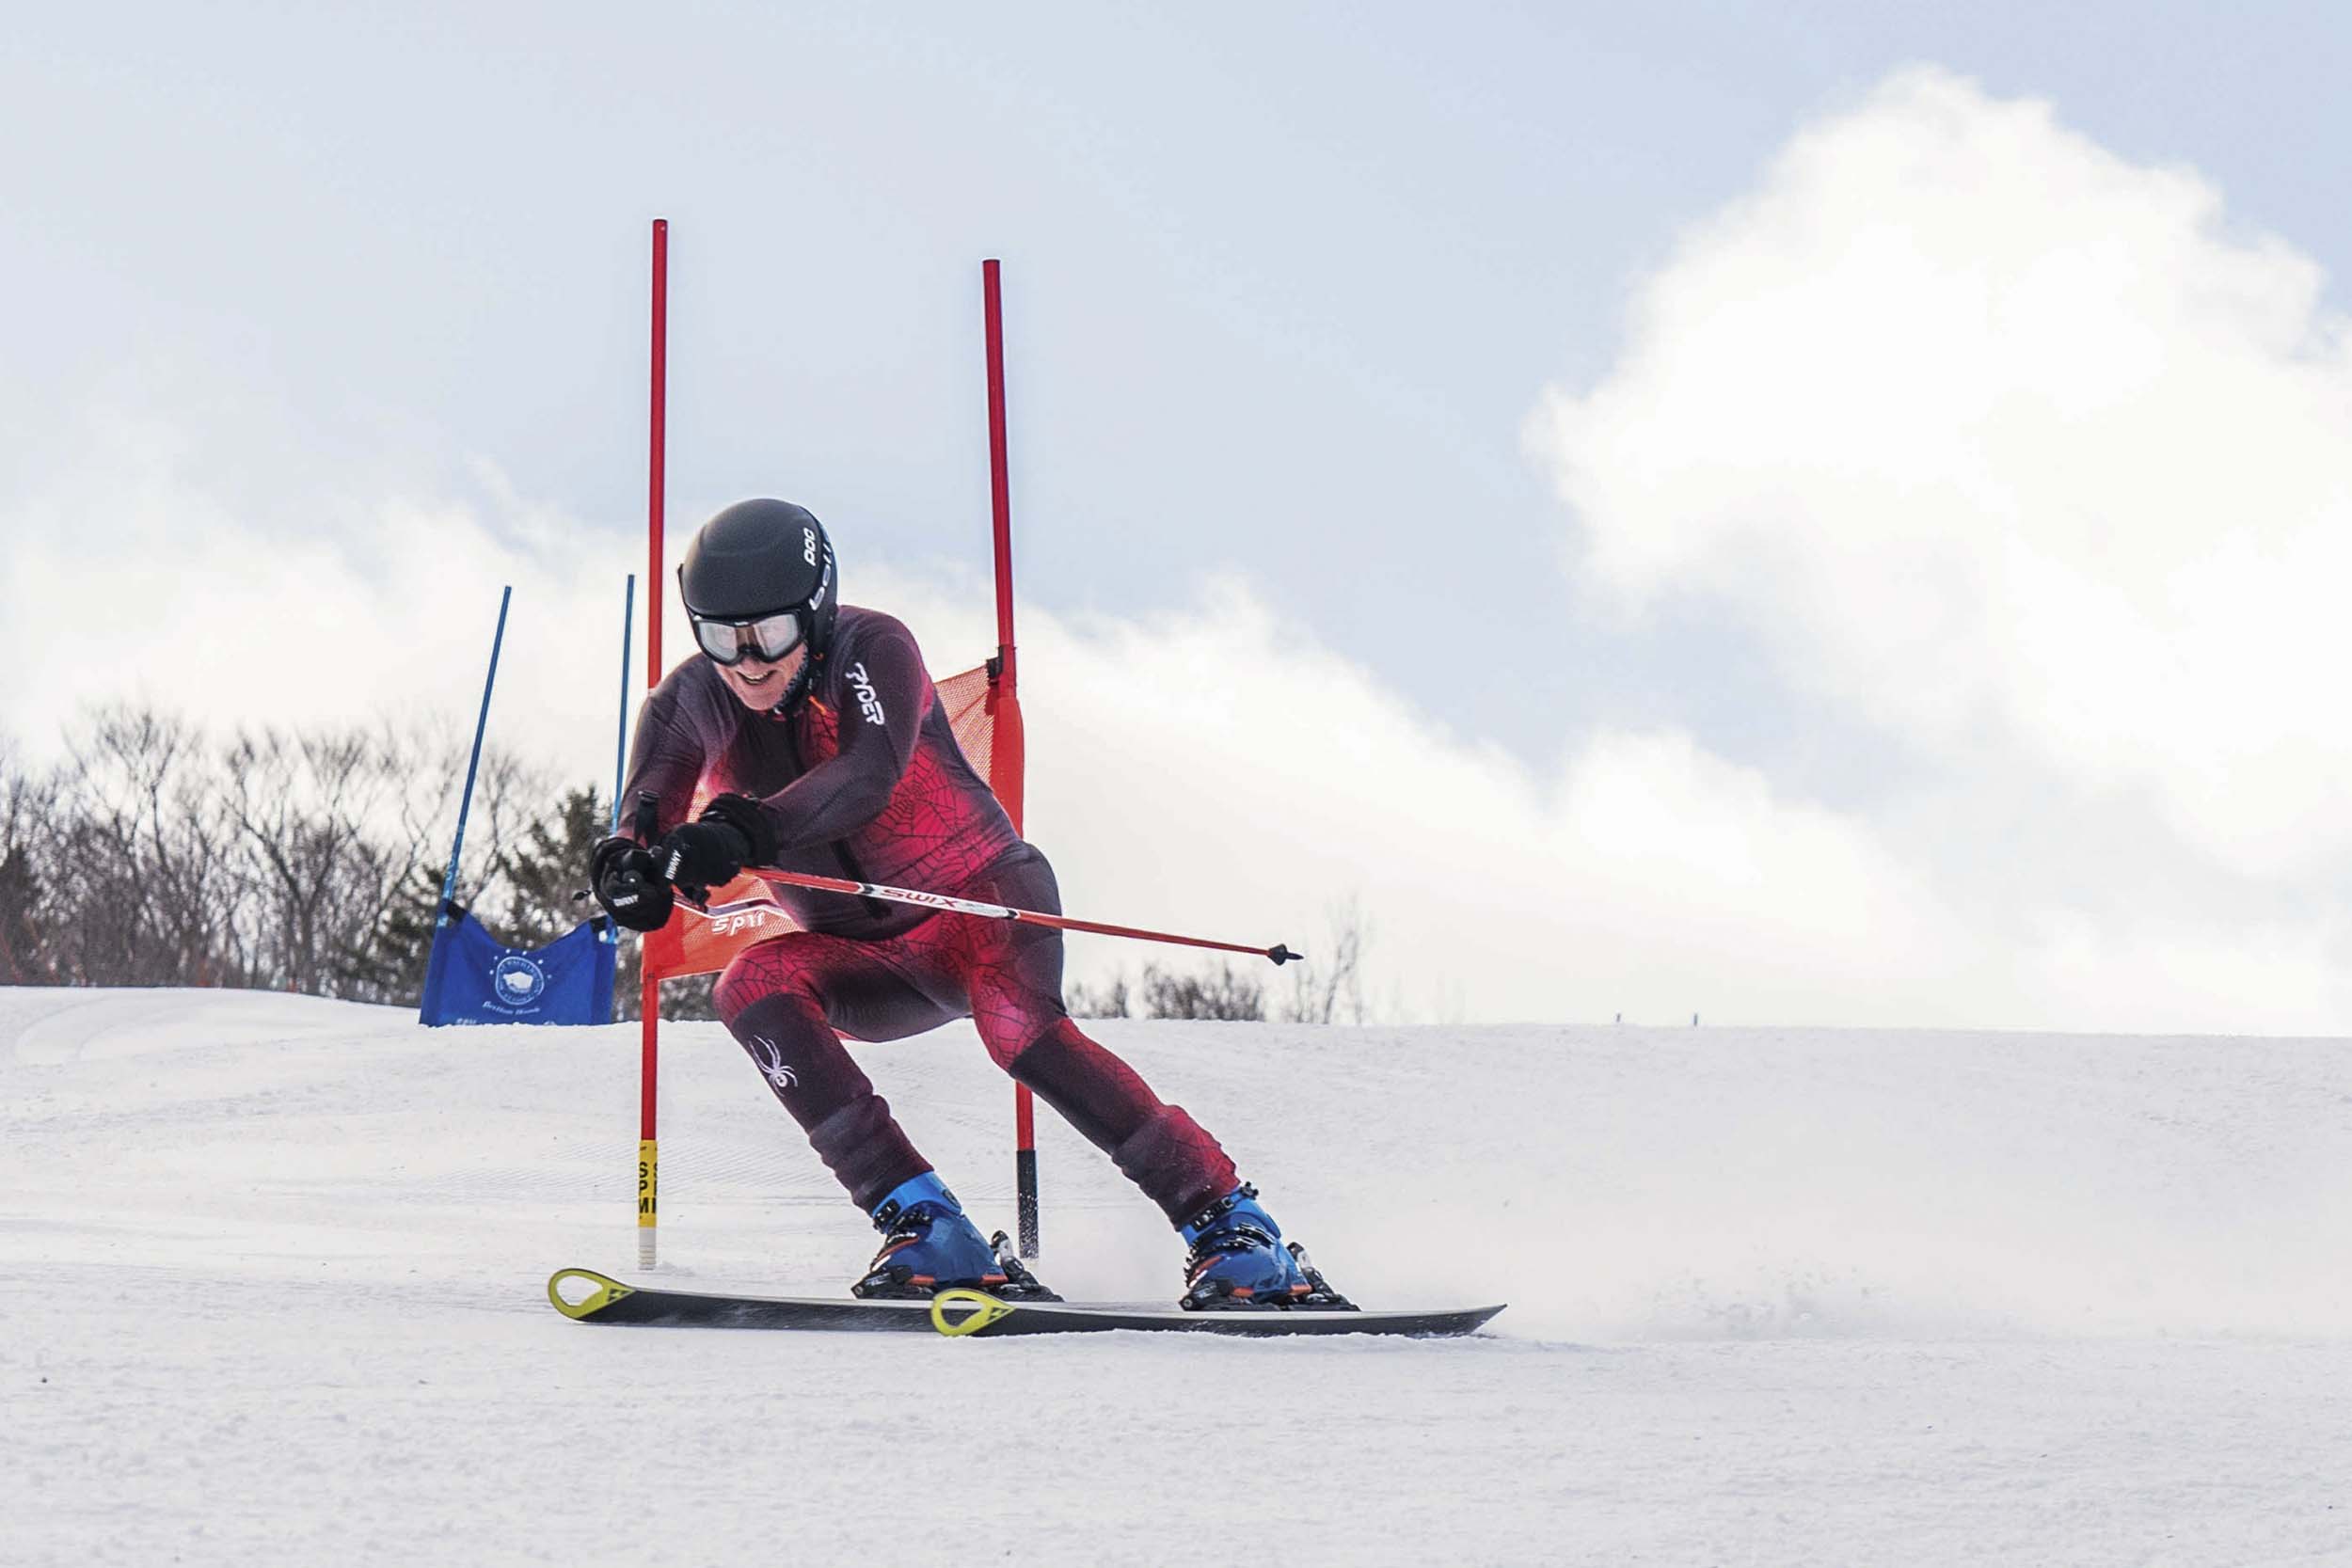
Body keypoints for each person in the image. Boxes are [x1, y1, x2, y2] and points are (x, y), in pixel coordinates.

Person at [592, 498, 1346, 1309]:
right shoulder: (688, 700)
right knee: (748, 986)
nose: (745, 663)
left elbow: (867, 773)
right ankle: (925, 1223)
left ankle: (1233, 1224)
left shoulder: (871, 647)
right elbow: (645, 806)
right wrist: (629, 868)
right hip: (865, 959)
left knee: (1020, 1033)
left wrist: (747, 830)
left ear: (814, 608)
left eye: (767, 634)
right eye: (719, 637)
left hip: (981, 906)